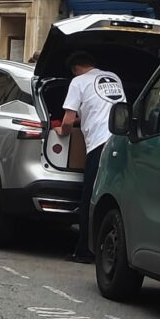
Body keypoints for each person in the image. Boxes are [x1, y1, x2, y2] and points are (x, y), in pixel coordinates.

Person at [57, 51, 125, 263]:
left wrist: (62, 131)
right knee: (114, 198)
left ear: (75, 68)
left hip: (98, 144)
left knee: (89, 197)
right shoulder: (113, 77)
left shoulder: (78, 82)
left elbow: (68, 121)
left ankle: (84, 251)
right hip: (121, 141)